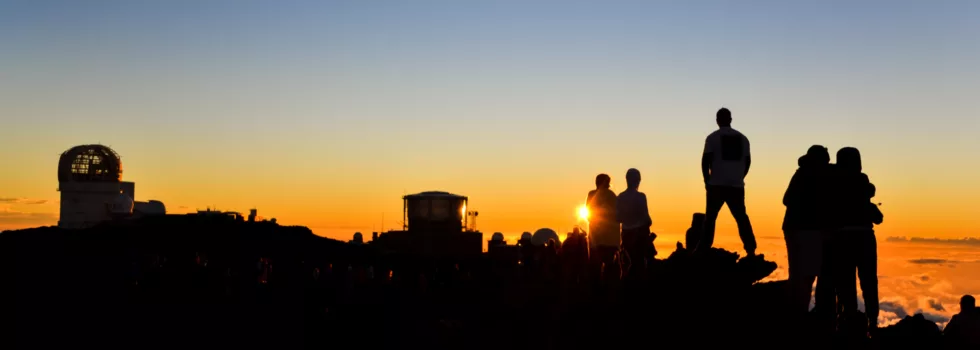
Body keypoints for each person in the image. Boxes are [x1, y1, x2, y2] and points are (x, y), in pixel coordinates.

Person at [829, 147, 882, 331]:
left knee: (845, 280)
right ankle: (872, 321)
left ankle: (847, 317)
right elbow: (879, 218)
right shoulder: (863, 185)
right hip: (866, 237)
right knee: (869, 280)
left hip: (842, 238)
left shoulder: (834, 182)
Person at [695, 107, 757, 257]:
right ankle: (751, 250)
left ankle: (703, 249)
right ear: (730, 119)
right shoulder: (743, 138)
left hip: (716, 185)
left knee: (710, 218)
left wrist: (707, 181)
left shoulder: (712, 138)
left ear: (717, 120)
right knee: (741, 217)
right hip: (736, 185)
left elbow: (705, 160)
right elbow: (748, 162)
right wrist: (740, 177)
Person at [781, 146, 833, 320]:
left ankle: (796, 311)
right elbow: (787, 200)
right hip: (807, 230)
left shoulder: (802, 173)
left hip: (795, 227)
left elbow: (787, 199)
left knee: (799, 272)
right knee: (806, 274)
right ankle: (799, 313)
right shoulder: (811, 175)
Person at [616, 168, 655, 279]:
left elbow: (617, 218)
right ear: (638, 180)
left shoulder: (620, 197)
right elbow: (646, 218)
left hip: (626, 235)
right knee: (640, 263)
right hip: (639, 236)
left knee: (629, 262)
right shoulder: (641, 197)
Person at [587, 174, 620, 282]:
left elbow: (589, 216)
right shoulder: (612, 196)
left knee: (595, 270)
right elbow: (618, 216)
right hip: (611, 240)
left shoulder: (591, 195)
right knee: (610, 270)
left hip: (596, 239)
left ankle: (595, 294)